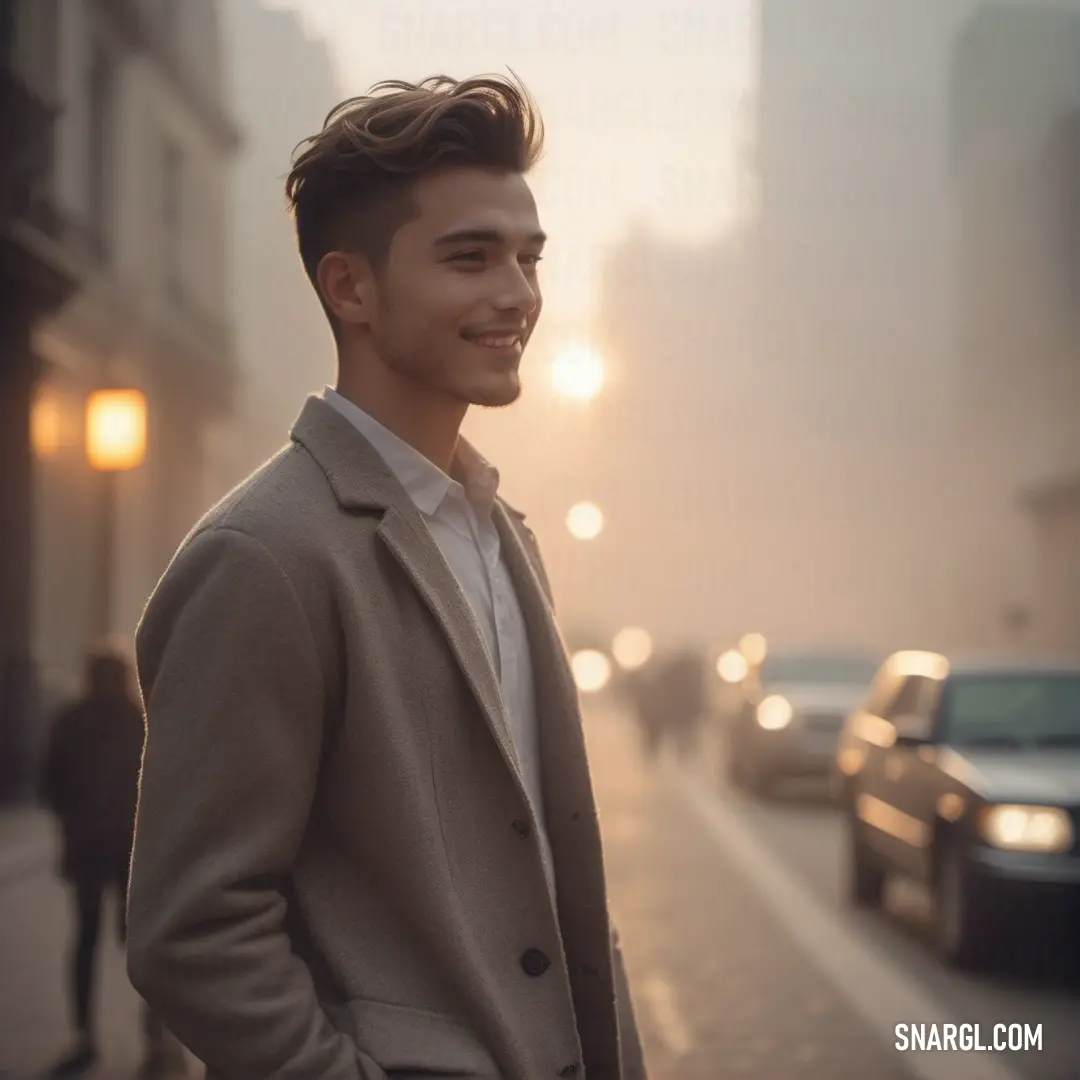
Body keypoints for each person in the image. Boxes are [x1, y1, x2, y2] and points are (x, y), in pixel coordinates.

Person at [126, 74, 647, 1079]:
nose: (518, 294)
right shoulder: (264, 557)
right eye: (470, 258)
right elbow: (193, 931)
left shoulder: (506, 537)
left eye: (529, 258)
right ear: (350, 287)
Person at [38, 646, 180, 1078]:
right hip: (130, 853)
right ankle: (154, 1039)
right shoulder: (141, 721)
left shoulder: (71, 719)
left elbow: (49, 784)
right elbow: (163, 785)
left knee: (86, 942)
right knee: (140, 945)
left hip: (88, 850)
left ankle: (85, 1037)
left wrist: (72, 823)